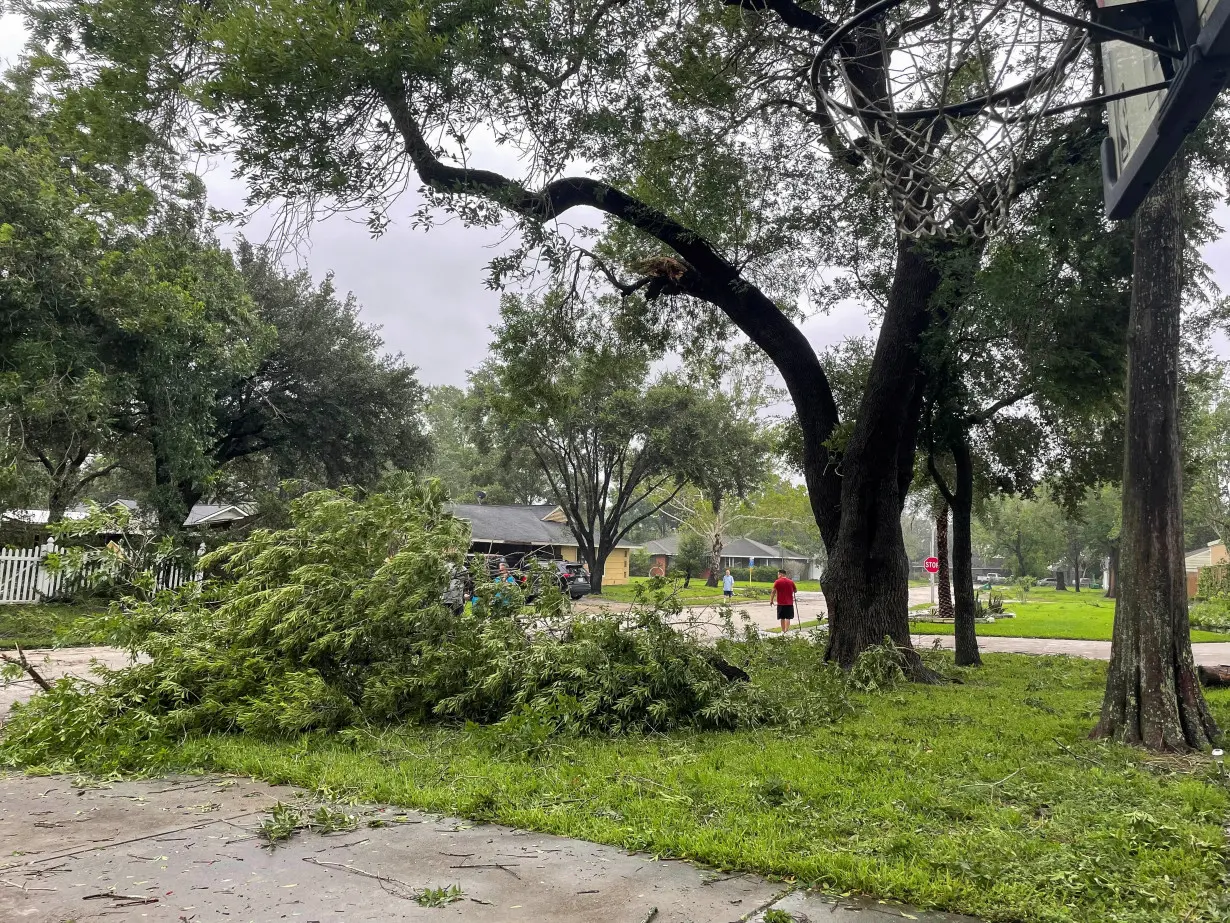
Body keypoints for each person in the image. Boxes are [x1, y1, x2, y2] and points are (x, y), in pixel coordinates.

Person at [769, 568, 797, 634]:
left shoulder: (777, 582)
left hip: (781, 603)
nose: (778, 576)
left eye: (778, 575)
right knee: (788, 618)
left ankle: (783, 630)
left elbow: (773, 591)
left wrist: (771, 600)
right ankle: (787, 631)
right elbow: (795, 590)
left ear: (781, 574)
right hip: (789, 603)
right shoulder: (791, 582)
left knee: (782, 617)